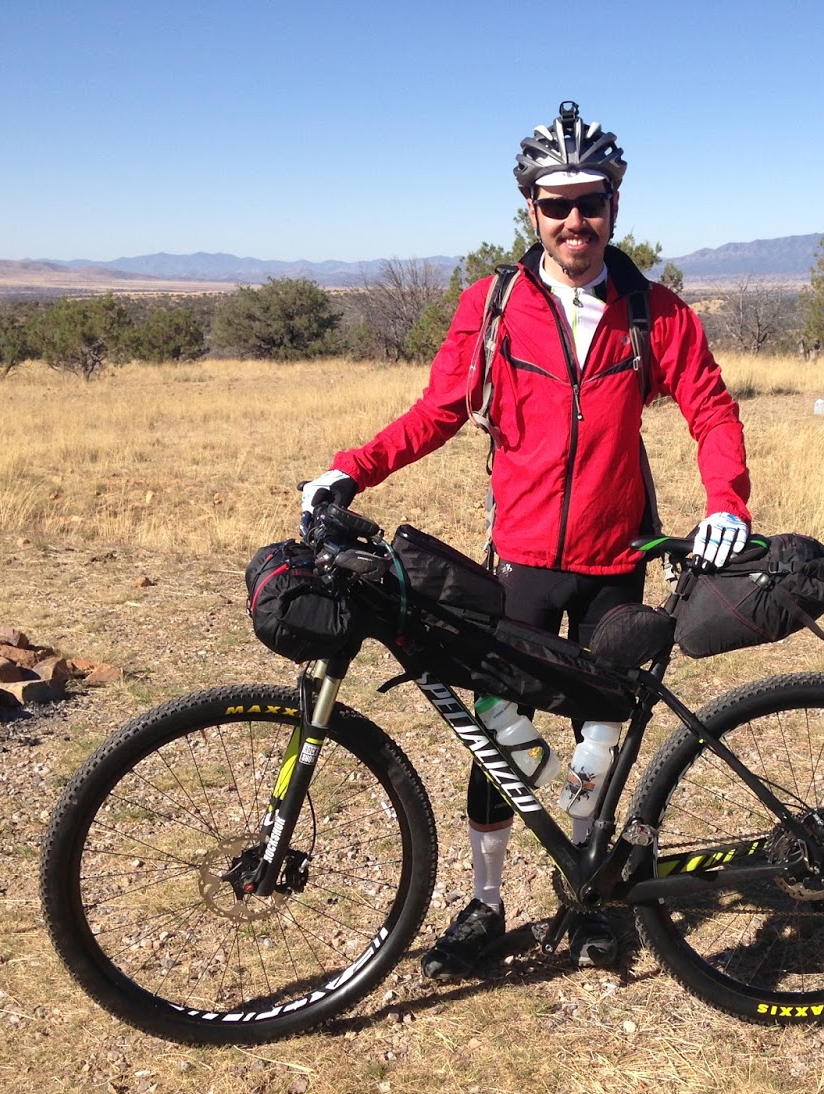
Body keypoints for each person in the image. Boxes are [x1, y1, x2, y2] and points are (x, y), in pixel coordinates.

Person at [301, 100, 752, 981]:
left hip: (617, 562)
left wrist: (725, 502)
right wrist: (350, 470)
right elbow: (439, 411)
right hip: (523, 563)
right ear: (531, 210)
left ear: (614, 206)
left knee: (597, 737)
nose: (575, 221)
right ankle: (486, 902)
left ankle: (586, 895)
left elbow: (711, 408)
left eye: (591, 203)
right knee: (499, 740)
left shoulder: (654, 312)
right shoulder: (494, 306)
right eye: (557, 205)